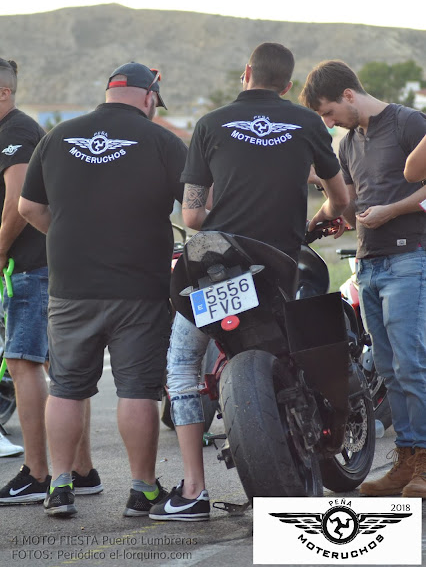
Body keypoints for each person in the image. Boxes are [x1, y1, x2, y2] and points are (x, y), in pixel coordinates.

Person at [148, 43, 349, 522]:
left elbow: (192, 216)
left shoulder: (209, 124)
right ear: (287, 84)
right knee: (307, 344)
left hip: (218, 264)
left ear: (246, 73)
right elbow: (341, 198)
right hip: (278, 262)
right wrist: (321, 217)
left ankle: (193, 490)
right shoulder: (308, 122)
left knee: (182, 367)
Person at [19, 62, 188, 518]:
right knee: (137, 390)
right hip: (140, 288)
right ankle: (142, 490)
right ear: (150, 98)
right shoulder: (162, 141)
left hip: (71, 286)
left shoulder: (57, 137)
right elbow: (198, 207)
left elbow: (29, 206)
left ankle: (59, 487)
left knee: (67, 388)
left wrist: (70, 238)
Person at [300, 59, 426, 497]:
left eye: (329, 112)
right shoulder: (348, 143)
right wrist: (315, 222)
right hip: (368, 264)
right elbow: (347, 204)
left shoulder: (409, 123)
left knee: (412, 364)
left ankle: (424, 463)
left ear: (349, 95)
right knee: (388, 371)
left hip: (410, 258)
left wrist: (393, 211)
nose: (329, 121)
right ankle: (406, 462)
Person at [0, 59, 100, 504]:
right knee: (60, 371)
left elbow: (17, 202)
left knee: (24, 363)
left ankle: (38, 473)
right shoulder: (14, 130)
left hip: (31, 266)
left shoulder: (17, 132)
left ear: (4, 92)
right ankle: (82, 471)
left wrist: (0, 248)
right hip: (41, 265)